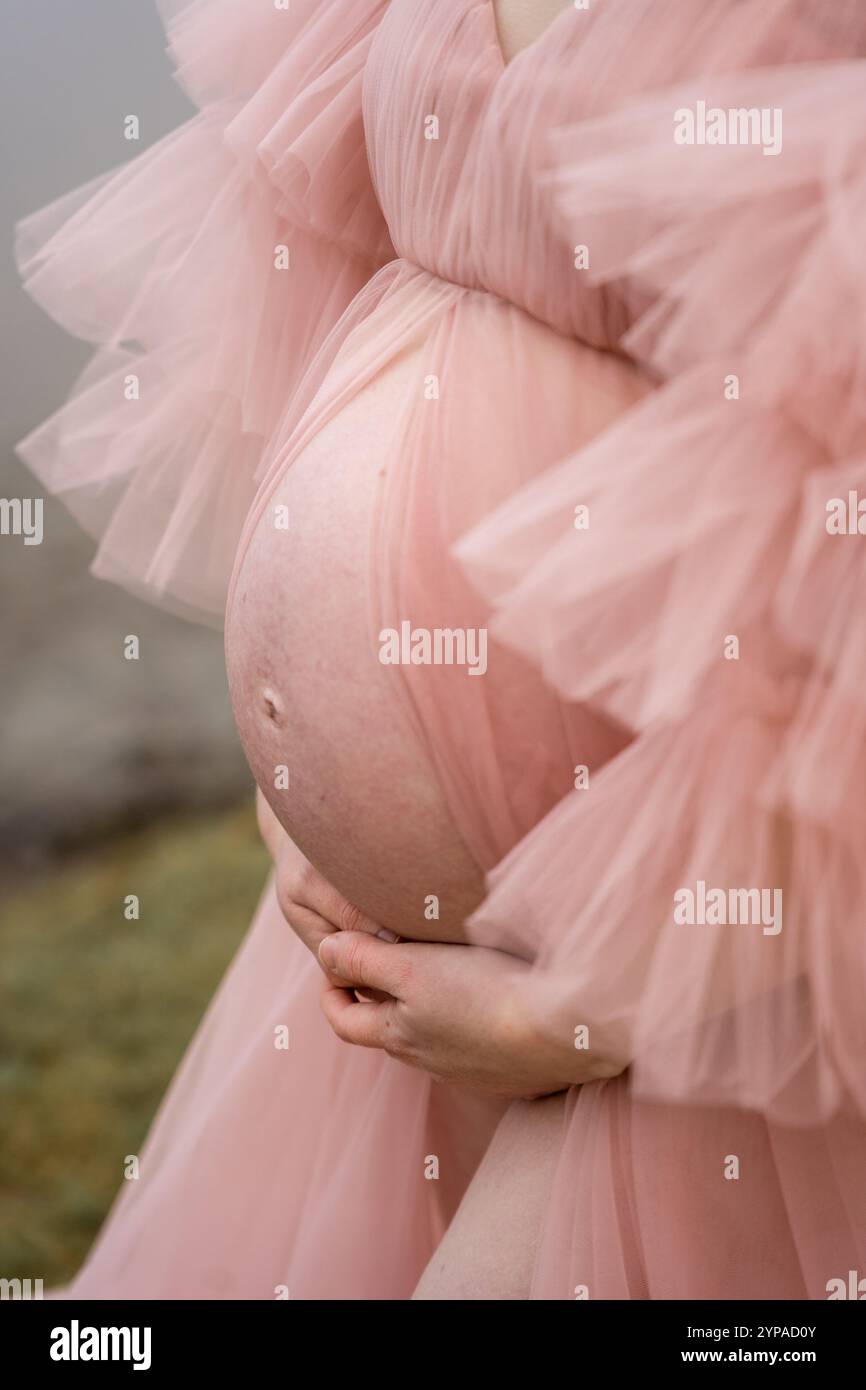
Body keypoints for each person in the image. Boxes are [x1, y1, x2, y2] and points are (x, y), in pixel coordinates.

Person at [17, 0, 866, 1299]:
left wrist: (605, 1003)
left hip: (712, 1011)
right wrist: (305, 777)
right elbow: (324, 258)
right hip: (371, 954)